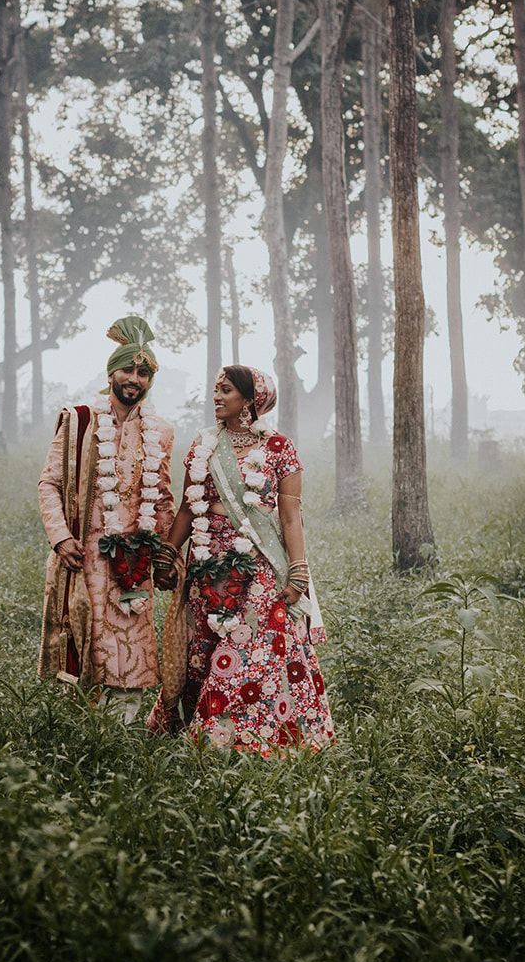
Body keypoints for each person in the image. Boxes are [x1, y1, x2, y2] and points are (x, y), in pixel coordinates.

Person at [146, 365, 334, 755]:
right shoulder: (205, 446)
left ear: (251, 400)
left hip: (259, 562)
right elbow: (187, 507)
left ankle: (237, 738)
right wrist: (168, 553)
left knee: (254, 646)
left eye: (226, 390)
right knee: (205, 646)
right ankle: (203, 728)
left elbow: (289, 516)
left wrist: (298, 571)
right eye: (215, 389)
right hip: (208, 560)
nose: (216, 397)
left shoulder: (279, 447)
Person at [37, 315, 177, 722]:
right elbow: (49, 484)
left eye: (144, 372)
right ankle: (79, 730)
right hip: (84, 555)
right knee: (86, 638)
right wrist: (61, 538)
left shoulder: (162, 432)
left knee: (132, 644)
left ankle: (124, 735)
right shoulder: (80, 420)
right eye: (128, 369)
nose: (134, 378)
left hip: (135, 561)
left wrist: (166, 556)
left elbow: (163, 497)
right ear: (111, 372)